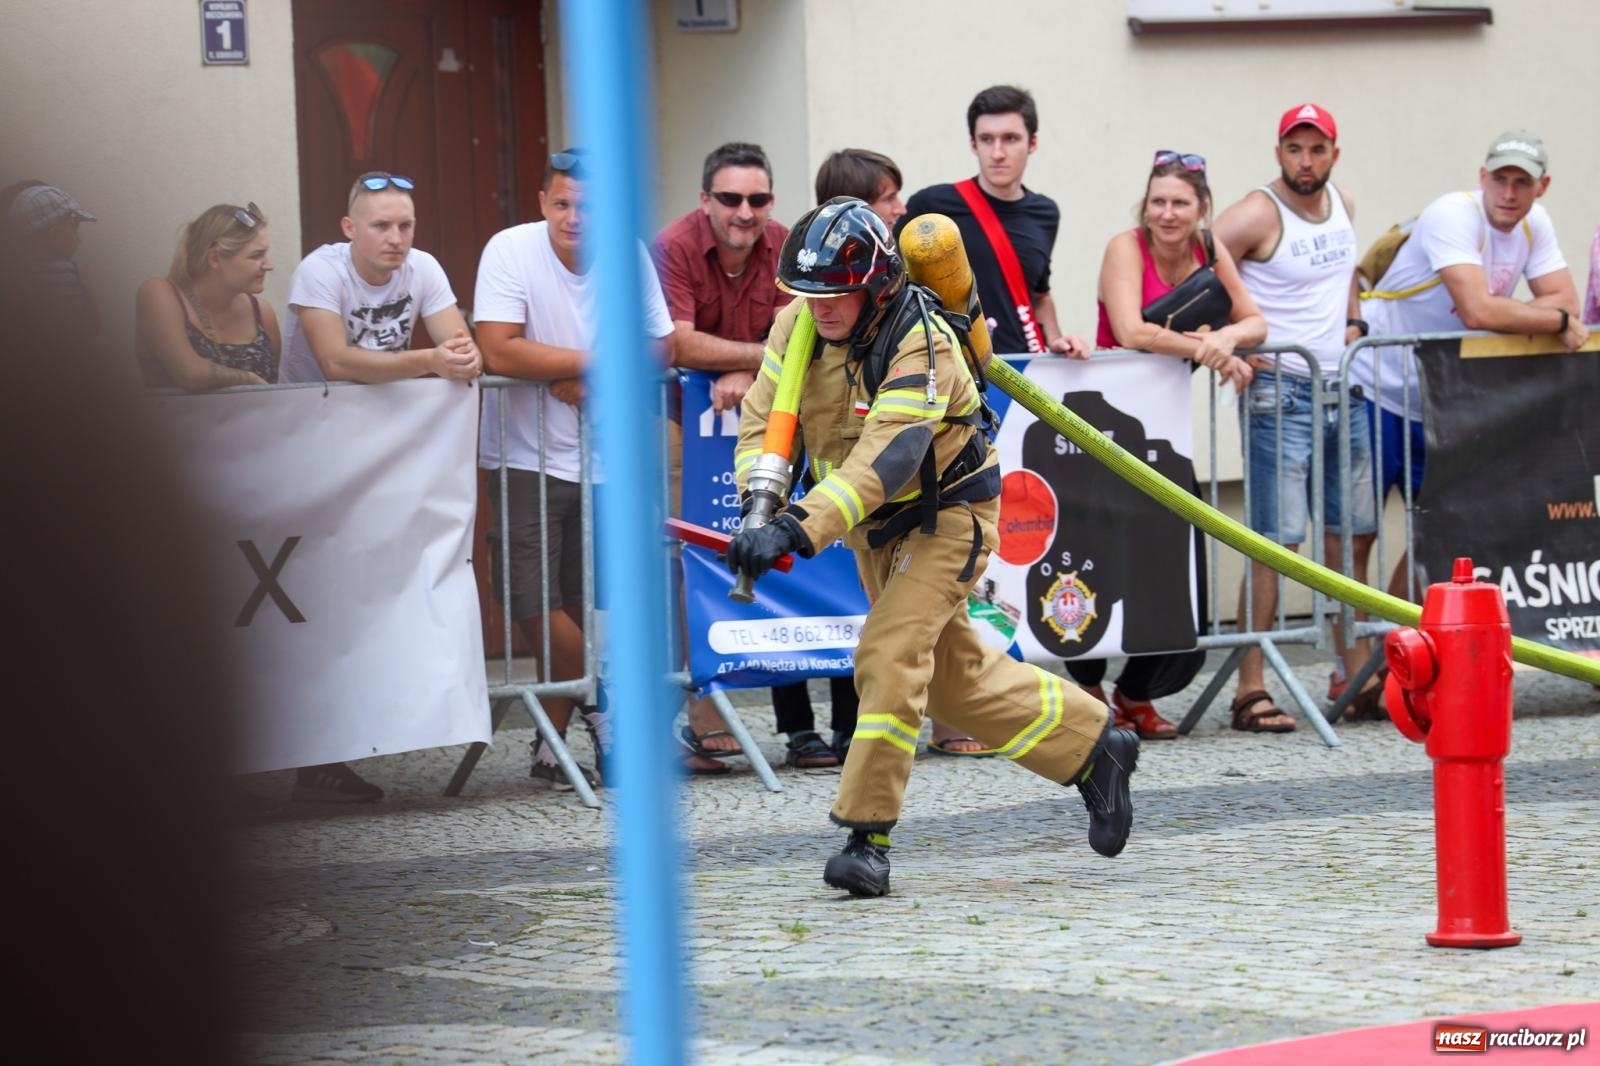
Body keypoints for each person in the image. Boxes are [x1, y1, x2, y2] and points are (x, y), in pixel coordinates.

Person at [726, 198, 1138, 897]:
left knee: (887, 654)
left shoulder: (923, 341)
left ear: (878, 286)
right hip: (871, 531)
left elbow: (889, 455)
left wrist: (797, 527)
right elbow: (764, 421)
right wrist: (755, 505)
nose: (821, 309)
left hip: (947, 518)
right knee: (954, 680)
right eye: (810, 293)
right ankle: (1096, 745)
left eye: (837, 295)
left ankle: (868, 837)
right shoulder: (795, 327)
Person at [475, 149, 676, 788]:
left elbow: (663, 344)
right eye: (562, 203)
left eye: (588, 206)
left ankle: (548, 747)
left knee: (584, 602)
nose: (575, 218)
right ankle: (603, 702)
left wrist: (585, 371)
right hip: (522, 457)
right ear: (542, 203)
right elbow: (497, 345)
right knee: (534, 602)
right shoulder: (509, 250)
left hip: (607, 463)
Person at [652, 142, 842, 770]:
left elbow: (806, 326)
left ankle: (804, 727)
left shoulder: (787, 244)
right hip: (687, 426)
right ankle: (703, 717)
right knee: (697, 559)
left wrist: (737, 365)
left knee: (789, 554)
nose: (744, 211)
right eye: (730, 198)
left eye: (758, 199)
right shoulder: (674, 247)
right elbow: (676, 341)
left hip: (774, 425)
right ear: (705, 200)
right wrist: (751, 359)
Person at [1350, 130, 1588, 599]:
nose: (1509, 193)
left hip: (1440, 400)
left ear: (1542, 187)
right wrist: (1551, 319)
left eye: (1522, 182)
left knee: (1438, 533)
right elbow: (1481, 310)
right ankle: (1351, 667)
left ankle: (1397, 651)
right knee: (1357, 536)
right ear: (1482, 177)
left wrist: (1542, 314)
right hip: (1373, 387)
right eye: (1500, 178)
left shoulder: (1534, 224)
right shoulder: (1453, 213)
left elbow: (1569, 300)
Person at [1212, 104, 1382, 725]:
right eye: (1294, 149)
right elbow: (1204, 253)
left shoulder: (1345, 203)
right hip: (1280, 391)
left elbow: (1346, 275)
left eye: (1316, 149)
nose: (1305, 161)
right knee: (1273, 544)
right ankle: (1249, 687)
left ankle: (1354, 668)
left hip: (1345, 389)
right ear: (1277, 152)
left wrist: (1354, 322)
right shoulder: (1259, 211)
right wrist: (1231, 332)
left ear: (1334, 152)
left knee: (1353, 533)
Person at [1092, 149, 1270, 734]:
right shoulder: (1126, 246)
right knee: (1099, 559)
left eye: (1179, 203)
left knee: (1179, 565)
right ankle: (1089, 693)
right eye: (1158, 201)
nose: (1166, 214)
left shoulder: (1210, 249)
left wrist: (1224, 337)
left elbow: (1256, 321)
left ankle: (1136, 692)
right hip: (1104, 423)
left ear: (1202, 209)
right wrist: (1207, 349)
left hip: (1162, 431)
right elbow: (1130, 330)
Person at [898, 85, 1082, 359]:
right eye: (986, 139)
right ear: (973, 144)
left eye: (1010, 139)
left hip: (1020, 370)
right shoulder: (931, 205)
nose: (997, 153)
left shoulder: (1045, 213)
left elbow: (1040, 295)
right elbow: (894, 284)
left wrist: (1055, 340)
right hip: (954, 369)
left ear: (1032, 143)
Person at [279, 171, 481, 385]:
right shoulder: (320, 269)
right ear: (349, 228)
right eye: (381, 226)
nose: (395, 239)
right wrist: (429, 361)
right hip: (313, 410)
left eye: (405, 226)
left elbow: (463, 348)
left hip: (384, 409)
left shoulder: (423, 265)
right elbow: (335, 364)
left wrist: (465, 360)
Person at [136, 202, 279, 389]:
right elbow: (188, 373)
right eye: (256, 256)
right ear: (214, 259)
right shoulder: (159, 294)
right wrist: (248, 379)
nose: (269, 265)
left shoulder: (262, 313)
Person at [3, 182, 100, 345]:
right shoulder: (63, 272)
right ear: (54, 235)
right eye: (74, 230)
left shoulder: (14, 272)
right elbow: (82, 324)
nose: (79, 239)